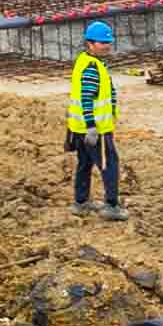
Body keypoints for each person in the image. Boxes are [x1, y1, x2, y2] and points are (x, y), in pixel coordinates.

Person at [64, 23, 126, 218]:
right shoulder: (92, 67)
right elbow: (86, 98)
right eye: (102, 42)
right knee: (109, 165)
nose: (107, 45)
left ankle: (80, 202)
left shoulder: (85, 61)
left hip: (79, 127)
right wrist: (92, 126)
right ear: (90, 43)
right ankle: (111, 206)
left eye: (109, 42)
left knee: (85, 163)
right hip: (95, 129)